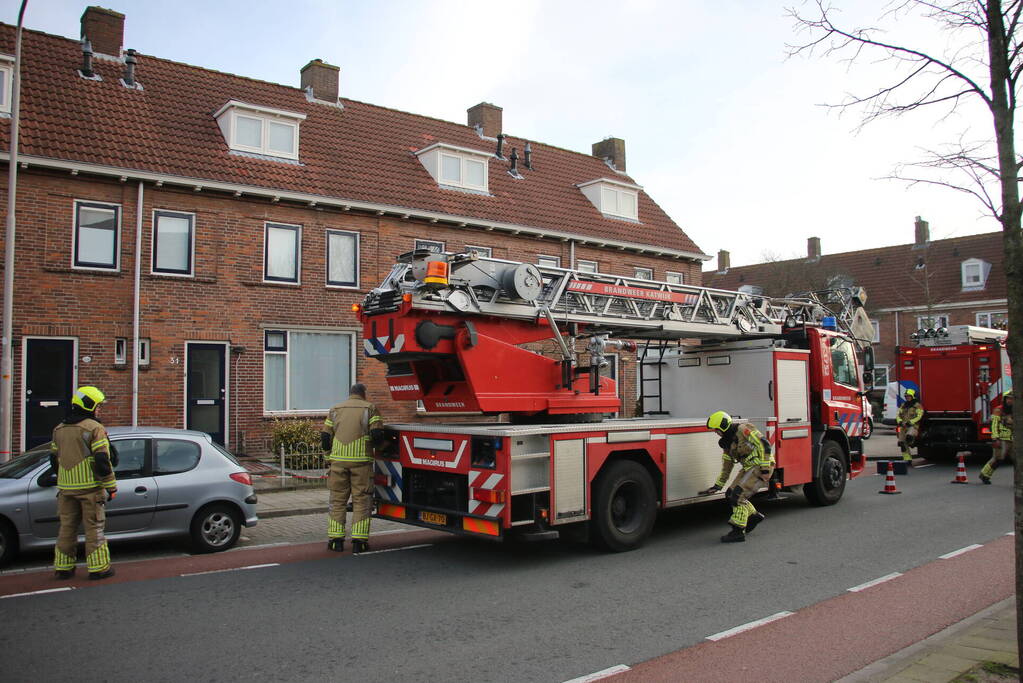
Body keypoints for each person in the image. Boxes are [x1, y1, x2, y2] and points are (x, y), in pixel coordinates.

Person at [50, 386, 117, 580]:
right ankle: (99, 568)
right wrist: (111, 486)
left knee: (66, 528)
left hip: (66, 489)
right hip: (90, 488)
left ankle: (63, 568)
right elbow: (103, 460)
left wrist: (63, 480)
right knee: (94, 528)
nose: (99, 410)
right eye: (98, 406)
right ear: (89, 406)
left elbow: (54, 459)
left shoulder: (59, 429)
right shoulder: (94, 428)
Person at [321, 383, 384, 554]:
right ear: (364, 394)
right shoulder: (370, 408)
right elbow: (378, 436)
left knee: (337, 500)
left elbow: (325, 437)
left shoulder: (335, 409)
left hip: (338, 462)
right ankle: (359, 542)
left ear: (350, 394)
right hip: (361, 463)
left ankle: (335, 541)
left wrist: (328, 458)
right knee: (362, 501)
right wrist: (381, 449)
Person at [697, 411, 775, 543]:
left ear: (723, 426)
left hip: (759, 466)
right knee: (730, 493)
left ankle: (738, 531)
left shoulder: (744, 430)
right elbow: (727, 467)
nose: (715, 432)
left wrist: (765, 469)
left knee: (737, 497)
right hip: (748, 468)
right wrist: (718, 486)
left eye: (716, 430)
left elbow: (764, 445)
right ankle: (753, 516)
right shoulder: (727, 443)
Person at [980, 390, 1013, 485]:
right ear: (1005, 399)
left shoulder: (1016, 410)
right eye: (1008, 398)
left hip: (1013, 439)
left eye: (1012, 399)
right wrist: (995, 438)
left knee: (1017, 459)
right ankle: (984, 474)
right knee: (998, 458)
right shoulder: (998, 410)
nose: (1010, 401)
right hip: (1001, 438)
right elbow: (994, 426)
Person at [896, 388, 924, 463]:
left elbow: (919, 415)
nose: (907, 397)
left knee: (909, 437)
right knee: (902, 443)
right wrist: (899, 421)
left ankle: (912, 443)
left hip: (913, 426)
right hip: (903, 426)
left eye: (909, 396)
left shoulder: (917, 406)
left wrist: (911, 422)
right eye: (906, 396)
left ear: (912, 396)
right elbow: (898, 414)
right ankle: (907, 459)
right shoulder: (903, 405)